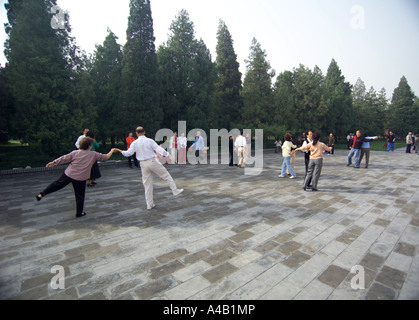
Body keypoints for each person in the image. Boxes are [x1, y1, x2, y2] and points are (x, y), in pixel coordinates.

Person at [36, 138, 117, 218]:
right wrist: (112, 150)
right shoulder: (93, 154)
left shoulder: (75, 153)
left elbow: (64, 158)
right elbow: (105, 157)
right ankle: (79, 212)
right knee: (80, 195)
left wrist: (54, 162)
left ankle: (41, 194)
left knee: (56, 184)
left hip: (69, 174)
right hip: (80, 178)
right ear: (89, 146)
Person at [115, 127, 183, 211]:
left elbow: (127, 153)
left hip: (143, 164)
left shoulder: (135, 143)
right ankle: (174, 190)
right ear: (144, 132)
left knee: (147, 185)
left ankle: (149, 204)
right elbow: (158, 149)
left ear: (136, 133)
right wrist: (168, 155)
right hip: (152, 161)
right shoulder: (149, 141)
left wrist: (118, 150)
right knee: (166, 175)